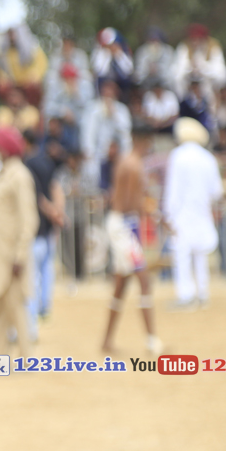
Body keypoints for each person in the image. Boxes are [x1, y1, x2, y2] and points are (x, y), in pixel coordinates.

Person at [100, 130, 162, 354]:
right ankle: (152, 341)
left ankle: (107, 342)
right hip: (124, 226)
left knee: (121, 284)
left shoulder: (127, 163)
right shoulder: (133, 165)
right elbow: (130, 203)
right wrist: (152, 212)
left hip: (123, 225)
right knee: (143, 280)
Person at [0, 126, 39, 356]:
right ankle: (0, 357)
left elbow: (29, 220)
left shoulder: (20, 176)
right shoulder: (5, 174)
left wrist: (20, 255)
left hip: (11, 256)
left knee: (16, 310)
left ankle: (26, 358)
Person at [163, 117, 222, 310]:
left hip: (182, 214)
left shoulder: (177, 156)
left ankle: (186, 295)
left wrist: (168, 214)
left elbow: (173, 189)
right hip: (202, 212)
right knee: (200, 254)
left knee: (182, 254)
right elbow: (217, 191)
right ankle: (203, 294)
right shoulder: (208, 158)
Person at [24, 134, 68, 341]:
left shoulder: (27, 164)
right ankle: (44, 308)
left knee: (31, 277)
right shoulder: (47, 162)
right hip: (49, 228)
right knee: (46, 269)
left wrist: (52, 212)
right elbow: (56, 188)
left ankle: (31, 322)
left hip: (36, 228)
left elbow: (37, 196)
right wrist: (58, 213)